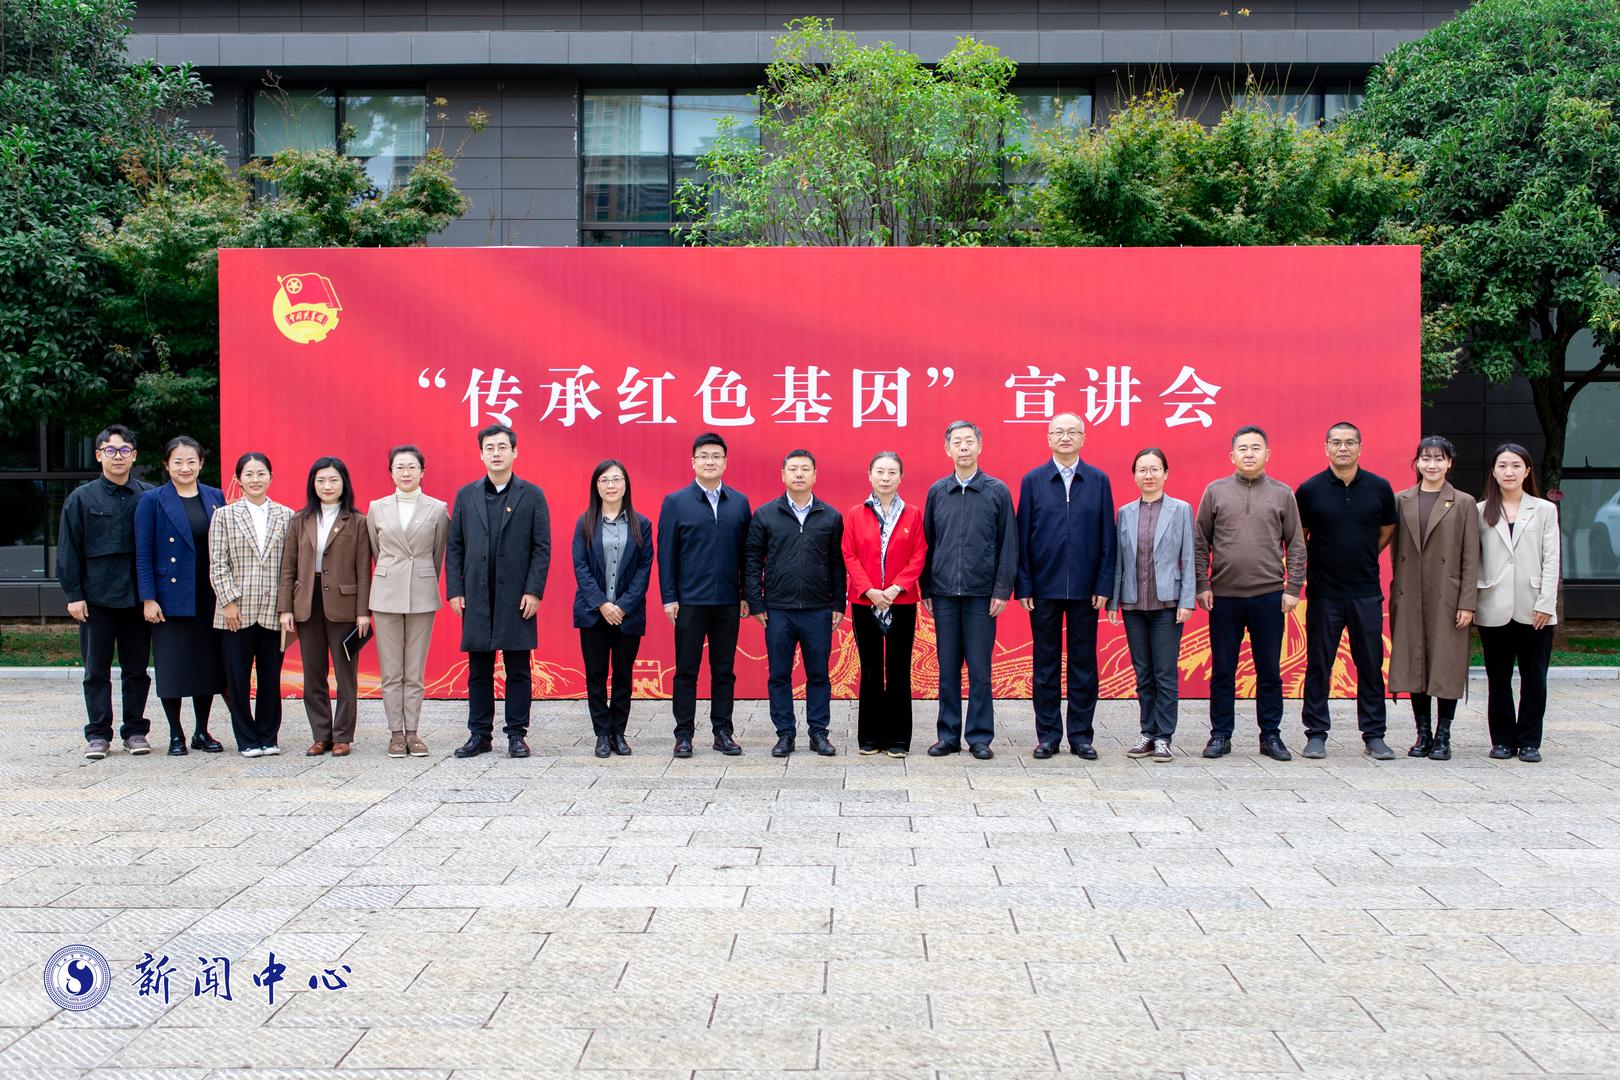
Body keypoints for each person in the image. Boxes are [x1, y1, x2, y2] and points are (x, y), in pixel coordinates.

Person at [1195, 425, 1306, 762]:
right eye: (1242, 448)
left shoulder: (1282, 493)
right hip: (1224, 597)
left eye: (1255, 448)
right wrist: (1202, 584)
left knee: (1269, 669)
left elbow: (1296, 544)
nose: (1249, 454)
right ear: (1232, 455)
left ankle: (1270, 734)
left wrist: (1293, 588)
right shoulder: (1215, 491)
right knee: (1223, 670)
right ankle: (1220, 734)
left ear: (1267, 454)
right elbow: (1200, 542)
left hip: (1269, 595)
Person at [1294, 421, 1399, 760]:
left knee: (1370, 664)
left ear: (1360, 448)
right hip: (1324, 592)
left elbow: (1386, 530)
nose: (1343, 448)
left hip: (1366, 591)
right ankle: (1316, 733)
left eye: (1350, 442)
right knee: (1319, 664)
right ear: (1325, 448)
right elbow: (1299, 536)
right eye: (1336, 442)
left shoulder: (1379, 488)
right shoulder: (1309, 490)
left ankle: (1374, 734)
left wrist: (1363, 554)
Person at [445, 424, 551, 759]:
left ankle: (517, 735)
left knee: (518, 669)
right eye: (489, 448)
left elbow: (541, 547)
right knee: (479, 670)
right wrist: (455, 589)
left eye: (502, 447)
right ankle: (479, 734)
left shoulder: (532, 495)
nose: (496, 453)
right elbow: (455, 546)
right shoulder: (467, 495)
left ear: (514, 452)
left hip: (517, 597)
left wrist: (534, 590)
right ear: (481, 454)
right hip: (477, 595)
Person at [1016, 413, 1116, 760]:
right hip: (1044, 588)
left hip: (1087, 591)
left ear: (1083, 438)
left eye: (1072, 432)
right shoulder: (1033, 480)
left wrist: (1104, 583)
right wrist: (1024, 585)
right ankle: (1048, 735)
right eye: (1058, 432)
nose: (1065, 437)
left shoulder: (1098, 480)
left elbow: (1107, 536)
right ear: (1048, 438)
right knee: (1045, 665)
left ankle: (1081, 735)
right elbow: (1023, 535)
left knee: (1083, 665)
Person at [921, 420, 1018, 760]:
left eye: (969, 441)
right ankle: (948, 735)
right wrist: (926, 588)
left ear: (980, 446)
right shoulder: (938, 491)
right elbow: (928, 543)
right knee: (947, 669)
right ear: (947, 449)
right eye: (957, 442)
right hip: (944, 593)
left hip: (981, 595)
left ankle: (979, 736)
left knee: (979, 671)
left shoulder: (996, 491)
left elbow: (1008, 544)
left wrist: (1002, 590)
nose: (963, 447)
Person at [60, 425, 155, 760]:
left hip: (137, 600)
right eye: (111, 451)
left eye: (125, 450)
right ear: (99, 454)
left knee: (137, 671)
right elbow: (68, 549)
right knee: (96, 672)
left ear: (134, 456)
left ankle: (135, 731)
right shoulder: (81, 498)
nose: (118, 457)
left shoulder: (149, 496)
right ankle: (98, 734)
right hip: (95, 600)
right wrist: (74, 594)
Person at [746, 449, 846, 758]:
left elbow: (838, 564)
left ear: (815, 475)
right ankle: (785, 734)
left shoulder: (830, 516)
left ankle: (818, 733)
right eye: (793, 469)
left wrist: (838, 605)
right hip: (778, 610)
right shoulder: (765, 515)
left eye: (805, 469)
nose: (799, 474)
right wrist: (756, 602)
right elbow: (752, 560)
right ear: (783, 475)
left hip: (818, 609)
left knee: (819, 674)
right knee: (779, 675)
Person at [657, 432, 752, 758]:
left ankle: (723, 732)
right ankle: (683, 734)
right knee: (686, 670)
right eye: (704, 456)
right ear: (693, 462)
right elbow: (666, 553)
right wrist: (669, 596)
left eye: (716, 456)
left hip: (727, 600)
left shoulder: (739, 503)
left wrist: (746, 593)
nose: (710, 462)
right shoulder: (676, 502)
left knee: (724, 670)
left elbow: (747, 554)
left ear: (725, 462)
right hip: (690, 602)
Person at [135, 436, 227, 756]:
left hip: (208, 595)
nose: (185, 467)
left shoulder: (215, 497)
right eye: (178, 462)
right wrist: (148, 598)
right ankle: (176, 734)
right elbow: (143, 554)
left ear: (201, 463)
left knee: (207, 665)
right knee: (172, 667)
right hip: (169, 597)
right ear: (166, 465)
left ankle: (202, 731)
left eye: (191, 461)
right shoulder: (152, 500)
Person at [1388, 436, 1478, 761]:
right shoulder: (1401, 500)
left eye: (1439, 459)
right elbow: (1393, 549)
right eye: (1426, 459)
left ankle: (1443, 734)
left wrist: (1467, 601)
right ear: (1417, 463)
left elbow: (1471, 556)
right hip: (1410, 591)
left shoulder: (1464, 502)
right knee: (1415, 662)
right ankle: (1422, 732)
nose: (1432, 465)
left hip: (1447, 595)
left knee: (1445, 662)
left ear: (1449, 463)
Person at [1106, 448, 1196, 764]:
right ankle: (1147, 731)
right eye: (1142, 469)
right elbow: (1119, 560)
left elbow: (1189, 557)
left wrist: (1187, 600)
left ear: (1165, 473)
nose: (1149, 475)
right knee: (1143, 673)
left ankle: (1164, 737)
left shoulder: (1181, 510)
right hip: (1133, 604)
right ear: (1134, 476)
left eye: (1155, 469)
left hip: (1167, 604)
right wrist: (1114, 600)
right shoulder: (1125, 513)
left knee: (1164, 672)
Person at [278, 457, 372, 758]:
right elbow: (288, 567)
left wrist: (363, 612)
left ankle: (343, 735)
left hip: (344, 605)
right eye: (320, 480)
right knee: (313, 672)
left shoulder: (357, 521)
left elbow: (364, 570)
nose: (327, 486)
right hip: (307, 603)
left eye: (333, 480)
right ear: (312, 484)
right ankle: (321, 734)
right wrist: (286, 608)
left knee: (346, 674)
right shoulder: (300, 519)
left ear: (344, 483)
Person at [1475, 443, 1560, 763]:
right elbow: (1472, 559)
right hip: (1493, 604)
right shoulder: (1479, 511)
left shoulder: (1544, 510)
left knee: (1534, 678)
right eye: (1502, 466)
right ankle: (1502, 740)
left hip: (1534, 606)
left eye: (1515, 466)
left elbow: (1552, 558)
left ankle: (1529, 741)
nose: (1508, 472)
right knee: (1497, 678)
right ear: (1493, 471)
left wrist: (1546, 602)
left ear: (1527, 471)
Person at [842, 451, 927, 758]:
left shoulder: (913, 514)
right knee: (871, 668)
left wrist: (895, 588)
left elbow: (919, 553)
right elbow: (849, 554)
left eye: (892, 472)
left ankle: (898, 739)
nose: (885, 478)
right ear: (870, 476)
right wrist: (869, 590)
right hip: (865, 602)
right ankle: (870, 737)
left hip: (900, 601)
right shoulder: (855, 513)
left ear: (901, 478)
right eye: (880, 472)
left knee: (899, 667)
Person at [367, 445, 450, 759]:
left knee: (414, 669)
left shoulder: (438, 509)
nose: (405, 472)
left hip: (422, 592)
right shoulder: (377, 508)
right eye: (399, 467)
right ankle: (395, 733)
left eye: (412, 467)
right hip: (386, 593)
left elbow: (438, 553)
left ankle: (413, 732)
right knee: (391, 670)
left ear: (422, 472)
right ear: (390, 472)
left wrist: (421, 576)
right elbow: (375, 551)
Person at [208, 452, 293, 757]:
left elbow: (291, 566)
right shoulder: (224, 516)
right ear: (238, 479)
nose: (255, 479)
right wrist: (228, 601)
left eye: (261, 473)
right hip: (236, 612)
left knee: (271, 678)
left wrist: (287, 607)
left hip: (274, 611)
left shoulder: (287, 515)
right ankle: (246, 738)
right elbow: (218, 563)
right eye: (249, 474)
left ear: (270, 477)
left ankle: (268, 736)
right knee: (237, 679)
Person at [572, 459, 654, 759]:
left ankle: (619, 732)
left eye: (617, 479)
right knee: (595, 675)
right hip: (593, 613)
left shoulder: (641, 524)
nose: (611, 485)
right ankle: (602, 734)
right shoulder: (585, 522)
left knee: (623, 675)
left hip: (627, 615)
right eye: (605, 480)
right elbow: (581, 567)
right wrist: (602, 604)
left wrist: (622, 605)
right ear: (596, 486)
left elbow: (644, 568)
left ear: (626, 485)